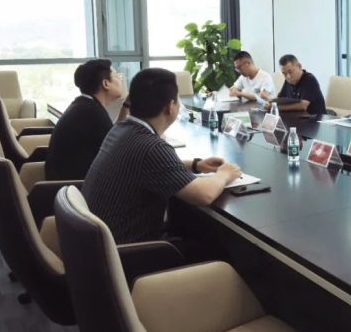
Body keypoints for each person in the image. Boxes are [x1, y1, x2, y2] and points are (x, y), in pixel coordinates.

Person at [83, 68, 241, 246]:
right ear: (170, 106)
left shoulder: (120, 129)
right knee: (215, 246)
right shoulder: (151, 146)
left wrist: (196, 165)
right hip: (131, 252)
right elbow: (204, 195)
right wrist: (224, 174)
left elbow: (145, 167)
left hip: (100, 245)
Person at [45, 59, 129, 181]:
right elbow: (120, 150)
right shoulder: (93, 114)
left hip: (64, 184)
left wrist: (126, 105)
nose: (120, 81)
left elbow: (113, 135)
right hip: (77, 186)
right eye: (116, 77)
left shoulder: (84, 106)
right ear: (105, 84)